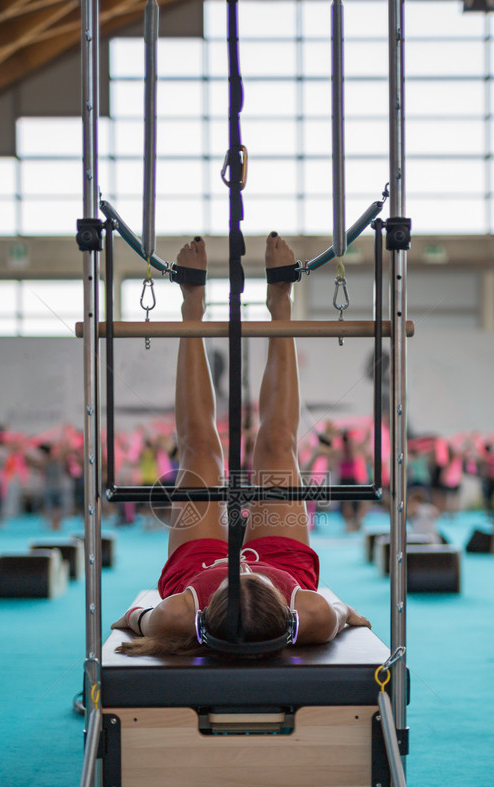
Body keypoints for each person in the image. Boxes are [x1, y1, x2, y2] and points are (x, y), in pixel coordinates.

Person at [112, 233, 370, 657]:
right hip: (284, 567)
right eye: (247, 575)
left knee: (197, 449)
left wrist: (137, 619)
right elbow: (338, 607)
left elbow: (135, 612)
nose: (243, 565)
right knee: (276, 444)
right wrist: (342, 612)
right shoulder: (311, 615)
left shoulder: (180, 615)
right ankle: (280, 301)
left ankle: (191, 303)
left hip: (196, 573)